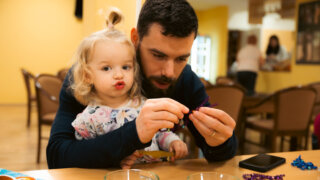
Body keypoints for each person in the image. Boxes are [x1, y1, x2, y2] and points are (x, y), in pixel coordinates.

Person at [47, 0, 237, 169]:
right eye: (158, 55)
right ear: (135, 39)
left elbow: (217, 154)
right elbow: (57, 156)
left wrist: (221, 142)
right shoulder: (89, 77)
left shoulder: (186, 80)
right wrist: (134, 132)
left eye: (181, 58)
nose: (169, 72)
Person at [70, 8, 188, 165]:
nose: (119, 75)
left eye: (126, 67)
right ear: (87, 76)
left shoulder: (144, 105)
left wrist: (173, 142)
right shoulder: (88, 120)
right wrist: (114, 160)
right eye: (106, 68)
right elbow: (82, 158)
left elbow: (160, 134)